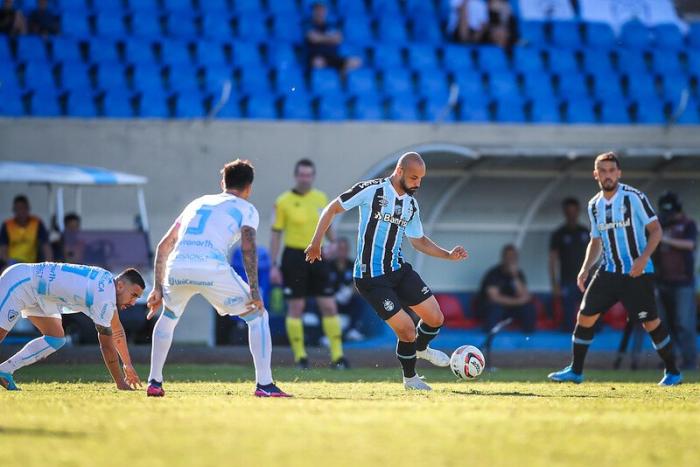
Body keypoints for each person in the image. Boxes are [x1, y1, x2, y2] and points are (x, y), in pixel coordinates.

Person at [305, 152, 469, 391]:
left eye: (421, 179)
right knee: (407, 329)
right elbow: (331, 208)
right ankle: (411, 379)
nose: (417, 184)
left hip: (397, 269)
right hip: (371, 277)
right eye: (414, 177)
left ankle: (422, 349)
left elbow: (418, 240)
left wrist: (447, 255)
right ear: (399, 171)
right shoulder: (371, 190)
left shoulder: (411, 205)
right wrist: (316, 242)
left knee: (436, 317)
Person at [145, 159, 290, 398]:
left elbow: (164, 245)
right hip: (210, 267)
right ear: (249, 188)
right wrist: (255, 291)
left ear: (223, 182)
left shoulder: (197, 203)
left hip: (177, 266)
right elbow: (248, 247)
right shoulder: (246, 208)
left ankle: (154, 381)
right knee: (258, 316)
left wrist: (157, 288)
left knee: (169, 316)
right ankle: (264, 384)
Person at [549, 152, 682, 386]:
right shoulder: (594, 205)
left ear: (619, 173)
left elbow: (657, 231)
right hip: (608, 271)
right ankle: (576, 371)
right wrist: (584, 269)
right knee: (585, 316)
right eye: (603, 171)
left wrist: (643, 259)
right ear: (595, 174)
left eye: (612, 170)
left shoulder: (634, 197)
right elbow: (595, 241)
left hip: (636, 273)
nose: (608, 175)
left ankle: (673, 372)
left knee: (650, 322)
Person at [0, 262, 145, 391]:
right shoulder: (105, 299)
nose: (133, 303)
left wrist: (128, 364)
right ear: (120, 286)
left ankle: (5, 370)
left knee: (55, 338)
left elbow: (117, 329)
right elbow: (106, 346)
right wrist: (120, 383)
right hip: (20, 282)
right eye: (133, 295)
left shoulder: (107, 280)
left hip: (40, 294)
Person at [270, 159, 348, 370]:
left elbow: (327, 224)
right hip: (294, 257)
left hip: (319, 255)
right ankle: (301, 358)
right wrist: (274, 265)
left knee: (329, 305)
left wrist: (333, 244)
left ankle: (338, 357)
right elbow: (276, 234)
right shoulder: (283, 201)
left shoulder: (321, 198)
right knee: (296, 307)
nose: (305, 179)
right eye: (302, 175)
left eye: (308, 175)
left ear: (313, 177)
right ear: (296, 176)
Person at [655, 191, 697, 370]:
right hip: (662, 281)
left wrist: (666, 239)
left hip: (683, 283)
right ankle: (669, 362)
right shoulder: (660, 224)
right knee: (664, 325)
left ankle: (689, 361)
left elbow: (690, 244)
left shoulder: (688, 224)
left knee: (684, 323)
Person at [549, 197, 590, 332]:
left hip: (586, 278)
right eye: (568, 211)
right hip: (567, 280)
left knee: (591, 309)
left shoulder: (585, 231)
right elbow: (552, 260)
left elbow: (593, 256)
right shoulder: (558, 234)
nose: (571, 214)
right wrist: (554, 284)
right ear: (565, 212)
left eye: (574, 211)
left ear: (578, 212)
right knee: (568, 315)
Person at [479, 244, 536, 334]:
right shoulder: (494, 273)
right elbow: (494, 298)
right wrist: (518, 302)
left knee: (528, 309)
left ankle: (528, 338)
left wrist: (514, 276)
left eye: (513, 257)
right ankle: (490, 337)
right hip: (497, 306)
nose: (511, 259)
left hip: (512, 308)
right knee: (493, 310)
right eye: (508, 256)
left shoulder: (518, 274)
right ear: (503, 257)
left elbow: (525, 295)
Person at [329, 236, 369, 341]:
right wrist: (333, 296)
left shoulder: (353, 265)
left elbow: (361, 282)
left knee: (359, 301)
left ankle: (354, 329)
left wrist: (350, 291)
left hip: (348, 300)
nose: (342, 252)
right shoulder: (329, 265)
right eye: (340, 249)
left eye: (344, 249)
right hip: (332, 300)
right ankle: (326, 334)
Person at [305, 2, 361, 73]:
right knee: (318, 62)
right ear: (313, 12)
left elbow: (339, 39)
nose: (319, 12)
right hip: (317, 56)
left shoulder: (331, 25)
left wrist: (321, 38)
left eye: (321, 10)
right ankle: (324, 82)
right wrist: (330, 38)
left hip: (333, 56)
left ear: (326, 11)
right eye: (317, 10)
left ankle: (341, 79)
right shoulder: (308, 24)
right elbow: (313, 38)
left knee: (356, 62)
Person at [0, 195, 53, 270]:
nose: (21, 211)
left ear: (28, 209)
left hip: (31, 264)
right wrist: (9, 264)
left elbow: (46, 246)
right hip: (12, 264)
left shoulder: (37, 223)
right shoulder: (7, 225)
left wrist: (48, 265)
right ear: (14, 210)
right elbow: (2, 250)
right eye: (18, 209)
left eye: (23, 208)